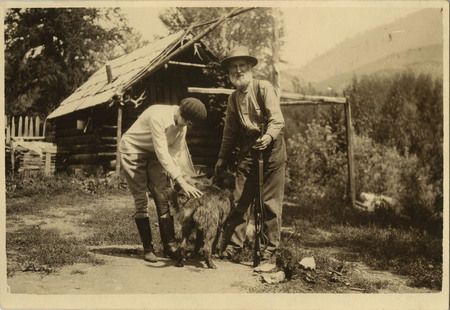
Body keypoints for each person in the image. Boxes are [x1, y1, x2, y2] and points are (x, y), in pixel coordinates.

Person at [215, 46, 286, 262]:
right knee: (239, 201)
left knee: (269, 204)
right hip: (248, 152)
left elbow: (277, 119)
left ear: (250, 68)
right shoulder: (233, 99)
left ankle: (269, 249)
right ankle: (234, 245)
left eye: (242, 66)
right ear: (229, 72)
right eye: (234, 67)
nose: (238, 70)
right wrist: (222, 157)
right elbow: (230, 132)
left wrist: (269, 136)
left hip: (271, 151)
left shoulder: (263, 88)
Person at [120, 98, 206, 262]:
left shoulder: (182, 127)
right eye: (186, 122)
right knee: (141, 198)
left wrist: (174, 177)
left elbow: (174, 153)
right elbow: (162, 151)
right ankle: (148, 248)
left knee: (163, 197)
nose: (185, 126)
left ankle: (169, 246)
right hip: (133, 150)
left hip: (155, 155)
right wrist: (181, 180)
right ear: (181, 112)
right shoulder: (158, 116)